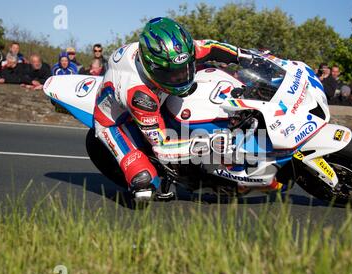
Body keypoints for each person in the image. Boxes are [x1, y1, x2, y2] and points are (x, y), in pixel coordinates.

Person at [94, 17, 253, 201]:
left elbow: (212, 48)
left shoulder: (175, 50)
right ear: (152, 68)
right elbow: (161, 146)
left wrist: (247, 57)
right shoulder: (140, 95)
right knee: (144, 187)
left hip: (158, 94)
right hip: (115, 122)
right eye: (173, 73)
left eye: (185, 68)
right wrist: (208, 144)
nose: (182, 77)